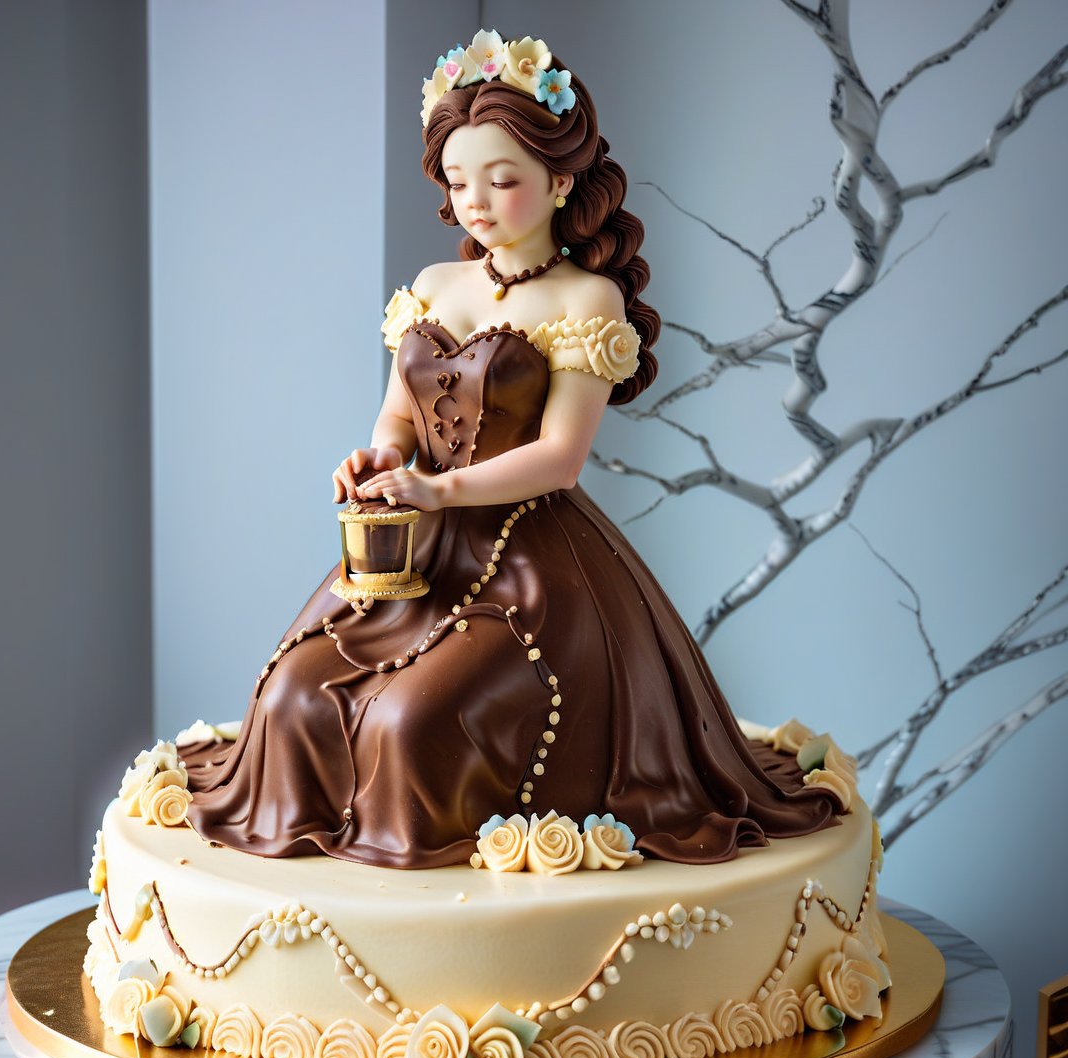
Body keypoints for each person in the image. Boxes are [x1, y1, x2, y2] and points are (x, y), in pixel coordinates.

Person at [182, 31, 841, 868]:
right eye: (459, 183)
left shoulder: (585, 298)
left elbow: (562, 457)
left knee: (409, 720)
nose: (476, 204)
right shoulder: (432, 286)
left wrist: (441, 494)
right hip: (413, 546)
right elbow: (397, 418)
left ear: (561, 180)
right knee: (287, 699)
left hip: (532, 563)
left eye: (502, 181)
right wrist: (383, 459)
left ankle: (414, 902)